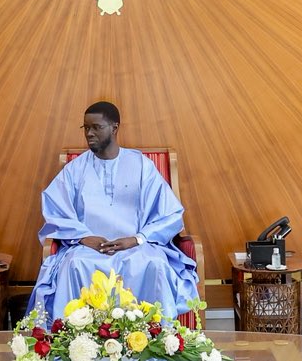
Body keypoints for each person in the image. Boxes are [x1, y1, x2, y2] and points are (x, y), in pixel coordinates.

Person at [28, 101, 197, 322]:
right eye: (86, 128)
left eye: (96, 127)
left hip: (137, 247)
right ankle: (77, 338)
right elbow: (55, 210)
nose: (89, 134)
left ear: (114, 128)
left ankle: (156, 337)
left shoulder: (141, 165)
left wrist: (136, 239)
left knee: (154, 264)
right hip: (88, 249)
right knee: (73, 265)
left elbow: (170, 214)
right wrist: (84, 237)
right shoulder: (75, 169)